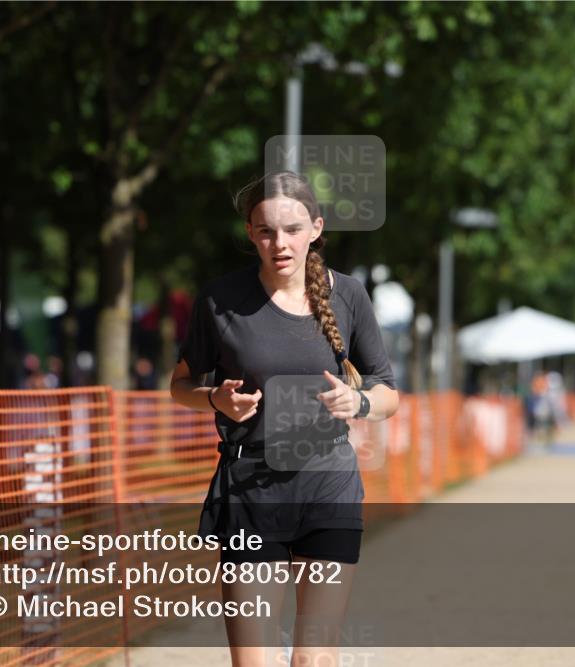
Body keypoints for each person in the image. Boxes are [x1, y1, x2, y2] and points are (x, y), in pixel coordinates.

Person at [169, 171, 400, 667]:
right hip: (251, 492)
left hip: (328, 487)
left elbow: (388, 392)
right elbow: (180, 385)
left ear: (315, 228)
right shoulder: (219, 301)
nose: (280, 242)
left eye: (293, 229)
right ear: (251, 233)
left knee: (313, 658)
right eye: (266, 230)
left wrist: (358, 403)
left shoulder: (348, 296)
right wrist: (214, 399)